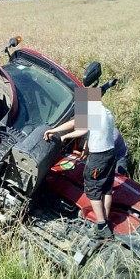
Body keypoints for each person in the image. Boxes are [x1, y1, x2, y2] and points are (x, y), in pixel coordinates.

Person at [43, 90, 116, 238]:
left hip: (99, 156)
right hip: (110, 153)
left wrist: (57, 132)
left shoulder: (91, 112)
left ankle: (101, 226)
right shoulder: (106, 112)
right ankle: (105, 221)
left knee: (92, 187)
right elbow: (93, 131)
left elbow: (78, 126)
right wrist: (85, 147)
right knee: (106, 188)